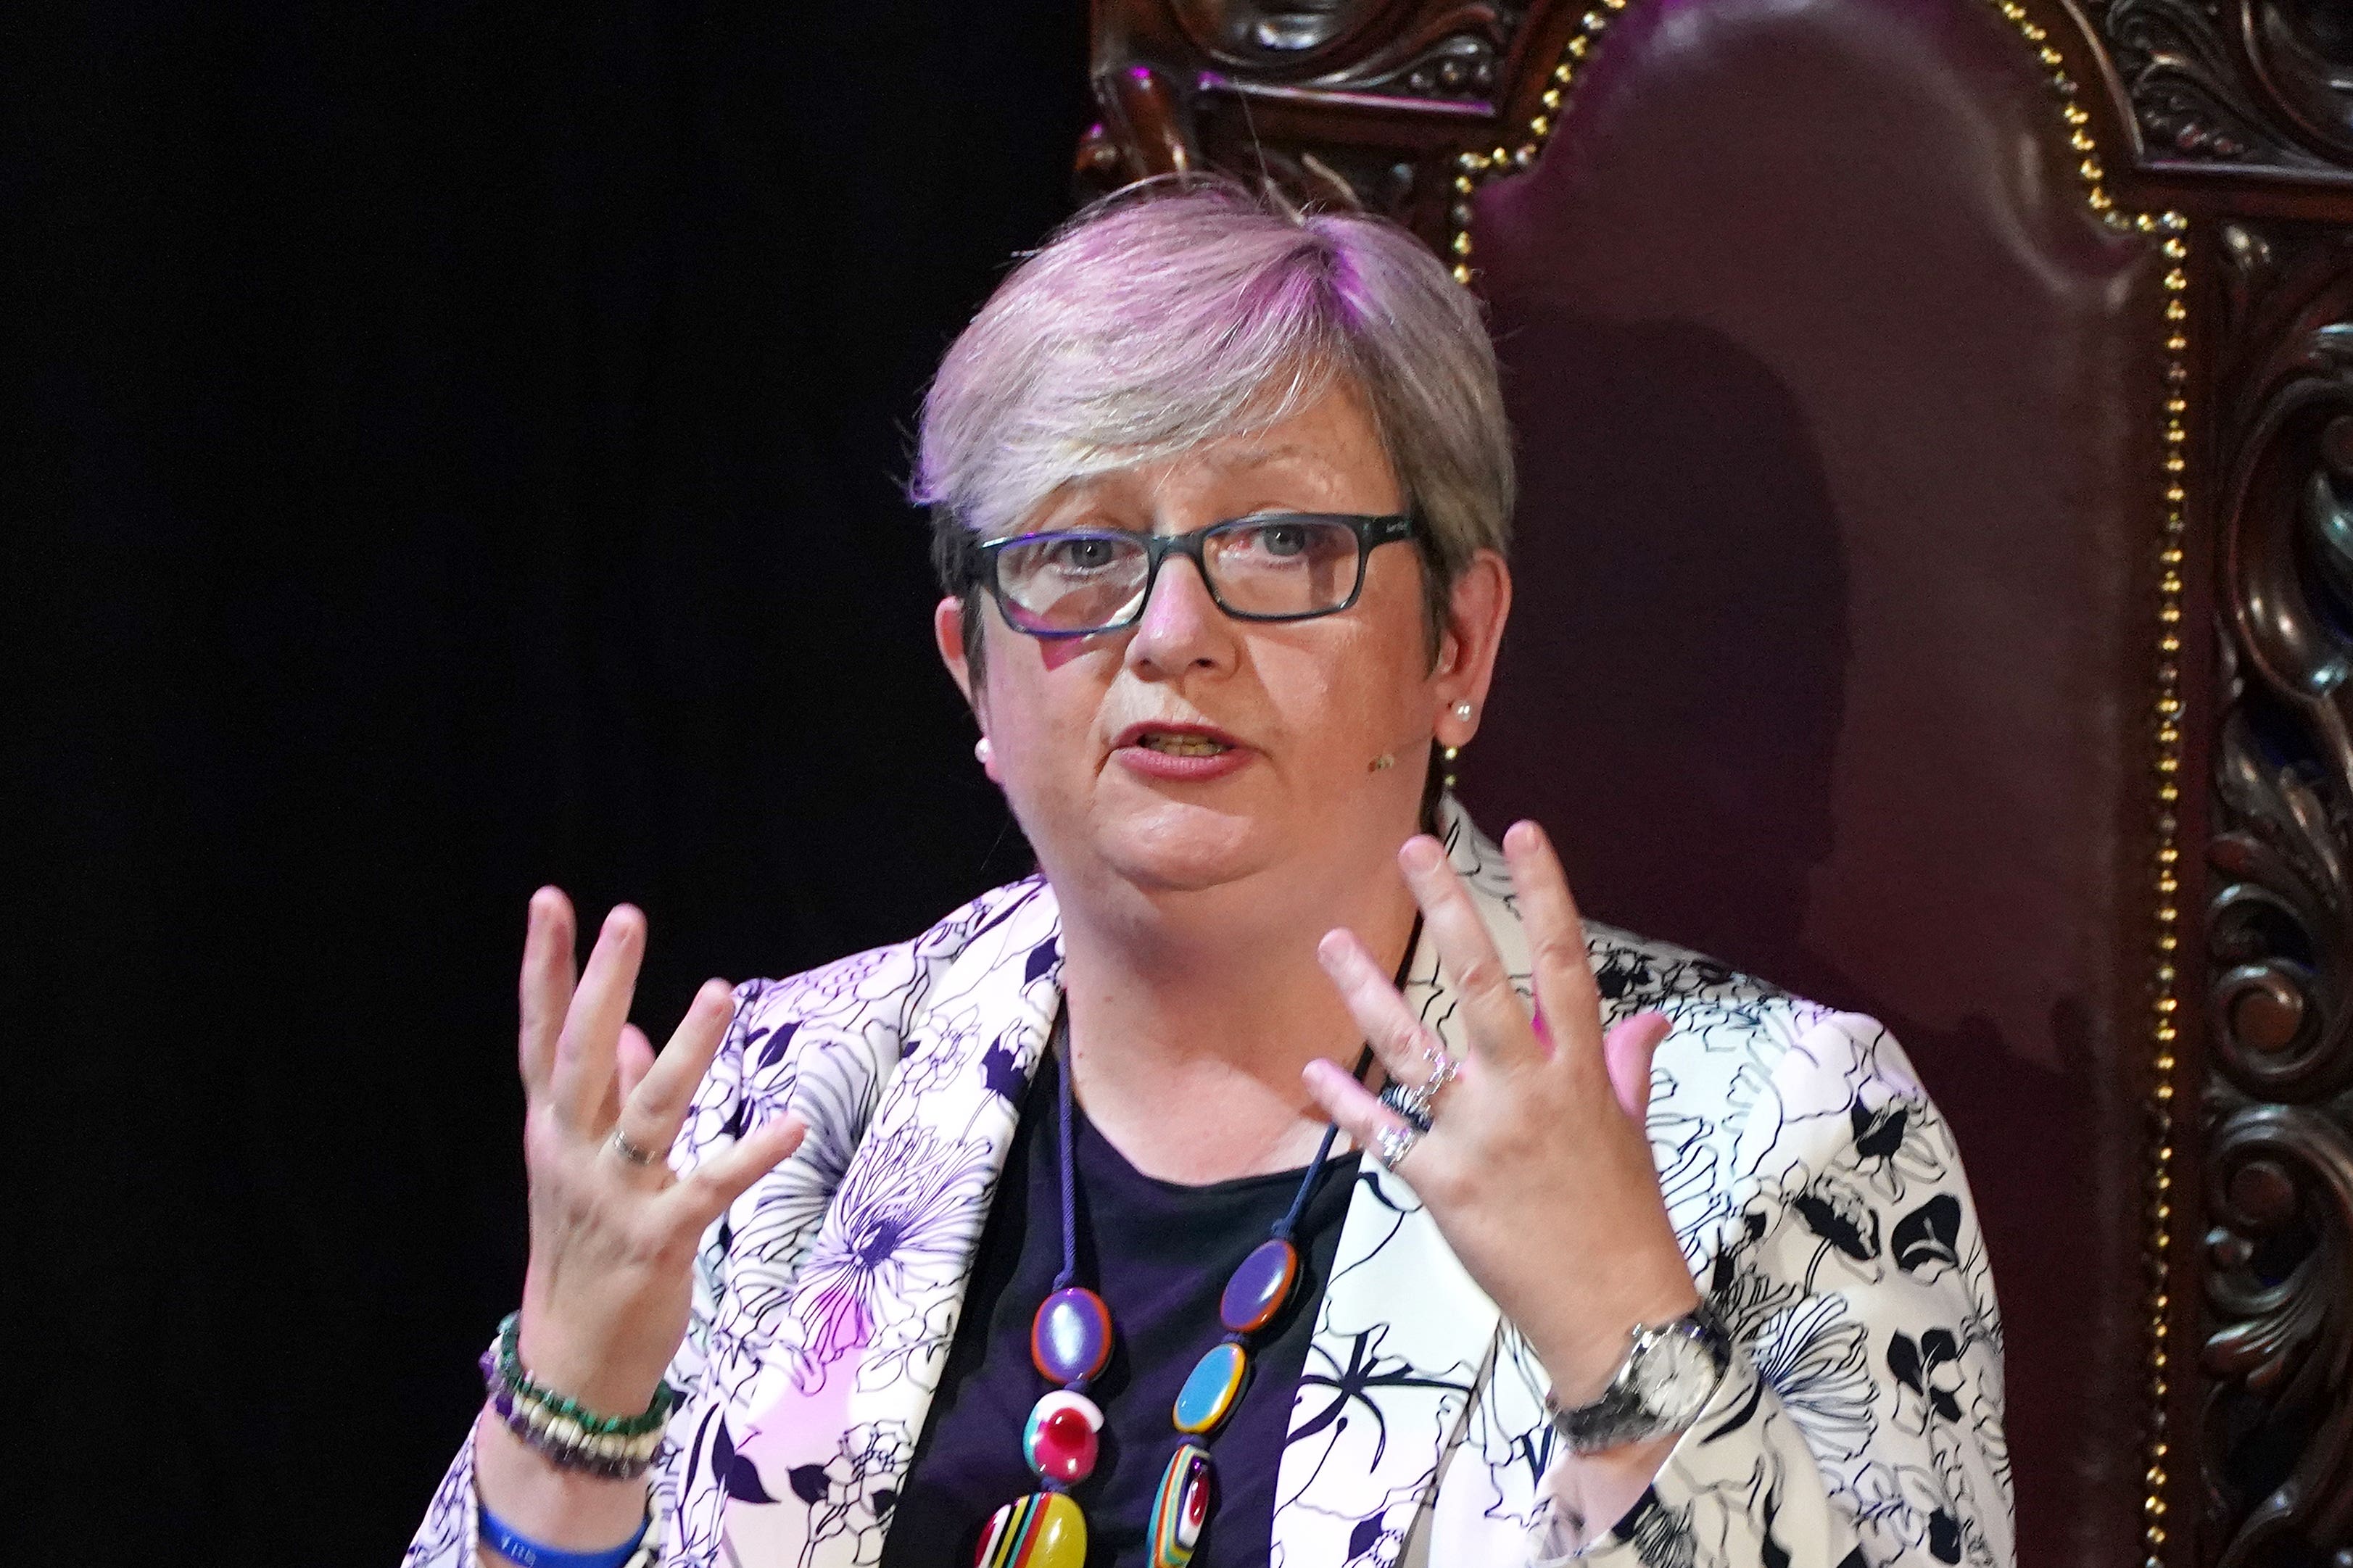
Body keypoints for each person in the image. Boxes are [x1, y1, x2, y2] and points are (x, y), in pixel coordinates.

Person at [408, 179, 2011, 1568]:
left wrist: (1623, 1342)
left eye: (1280, 543)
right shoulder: (772, 1110)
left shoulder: (1766, 1129)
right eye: (1081, 553)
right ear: (975, 673)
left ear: (1456, 644)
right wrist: (571, 1412)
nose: (1173, 634)